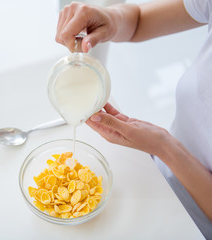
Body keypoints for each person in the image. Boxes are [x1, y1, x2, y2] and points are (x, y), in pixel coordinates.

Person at [55, 0, 212, 238]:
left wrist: (164, 146)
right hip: (155, 175)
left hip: (193, 226)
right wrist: (111, 19)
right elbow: (138, 19)